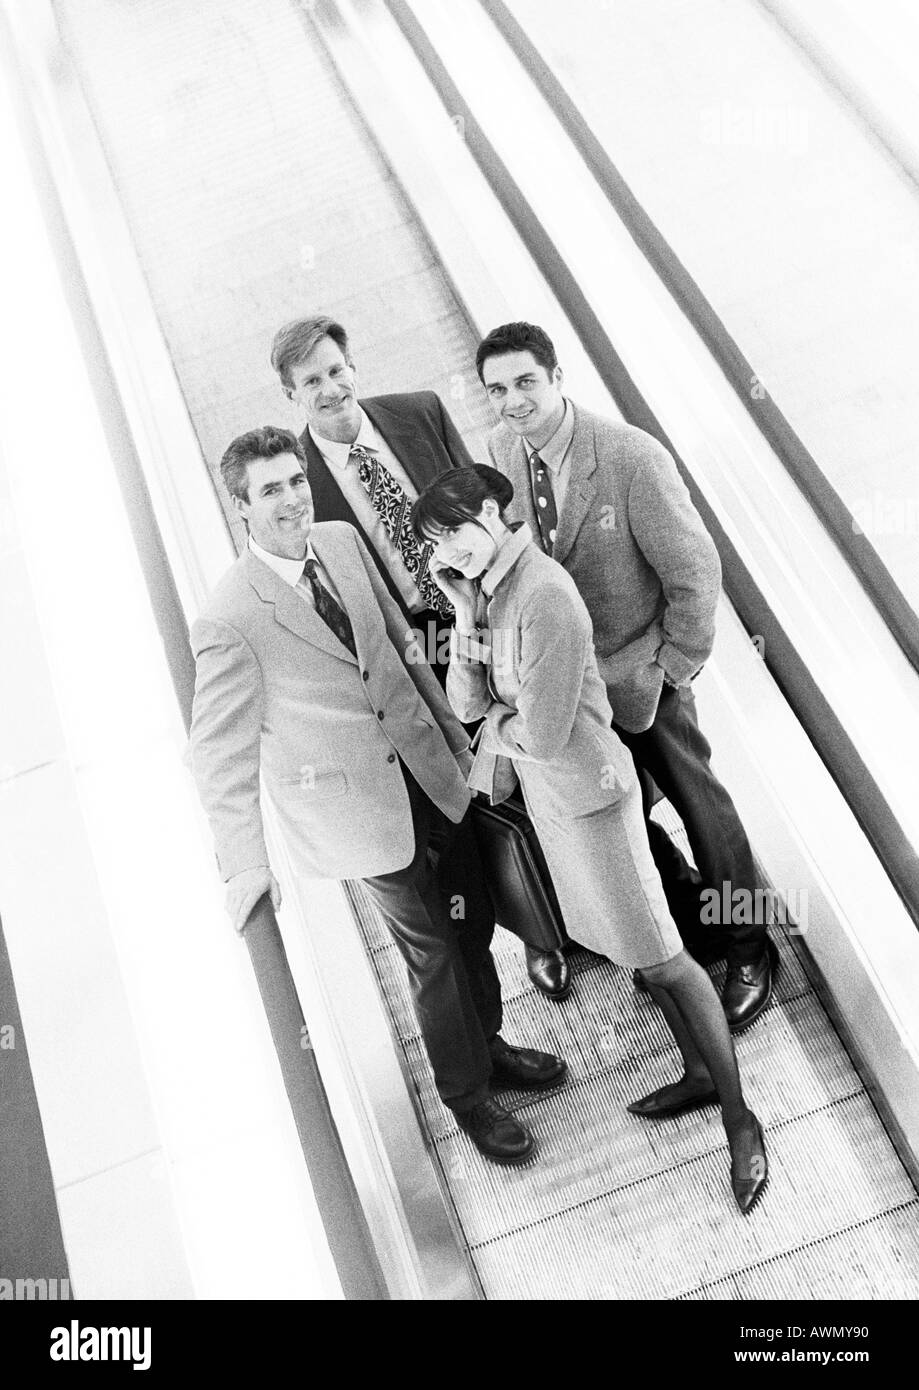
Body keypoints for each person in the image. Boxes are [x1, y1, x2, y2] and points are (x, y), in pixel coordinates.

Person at [188, 426, 566, 1165]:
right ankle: (467, 1098)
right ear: (241, 507)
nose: (292, 497)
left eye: (295, 480)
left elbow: (399, 645)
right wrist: (242, 862)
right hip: (354, 816)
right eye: (270, 490)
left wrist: (462, 748)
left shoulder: (338, 541)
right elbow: (217, 752)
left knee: (472, 919)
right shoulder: (228, 618)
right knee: (431, 952)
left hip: (428, 772)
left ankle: (487, 1046)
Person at [411, 465, 768, 1214]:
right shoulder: (491, 595)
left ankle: (741, 1119)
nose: (452, 552)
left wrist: (493, 732)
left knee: (666, 962)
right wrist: (465, 619)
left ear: (490, 511)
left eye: (457, 533)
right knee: (638, 953)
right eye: (438, 545)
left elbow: (535, 730)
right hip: (558, 804)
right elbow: (464, 699)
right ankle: (700, 1077)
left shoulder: (542, 595)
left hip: (594, 802)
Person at [475, 321, 776, 1032]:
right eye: (497, 390)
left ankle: (749, 946)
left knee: (704, 809)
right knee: (621, 816)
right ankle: (688, 927)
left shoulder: (630, 457)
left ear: (555, 376)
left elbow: (695, 574)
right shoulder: (499, 453)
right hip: (570, 693)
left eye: (525, 382)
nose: (513, 401)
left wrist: (670, 670)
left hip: (643, 677)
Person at [269, 314, 570, 1001]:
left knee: (541, 764)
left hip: (488, 615)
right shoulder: (297, 483)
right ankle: (541, 937)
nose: (330, 387)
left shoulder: (419, 414)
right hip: (413, 655)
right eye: (310, 380)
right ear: (291, 393)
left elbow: (489, 506)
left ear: (354, 367)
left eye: (336, 370)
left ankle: (580, 916)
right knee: (482, 794)